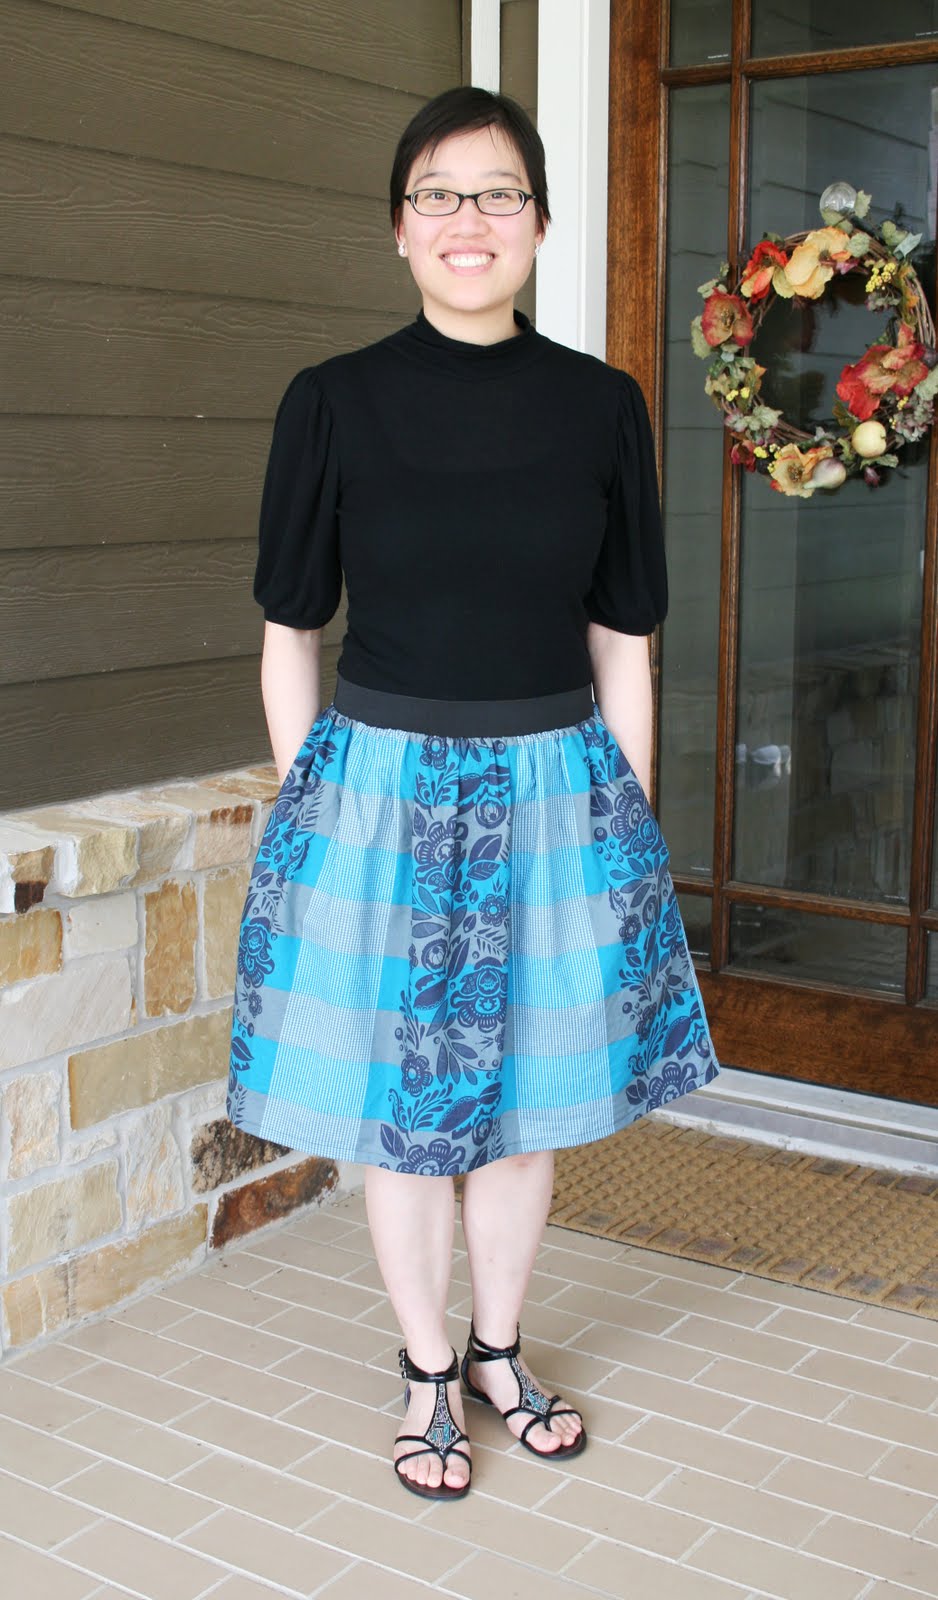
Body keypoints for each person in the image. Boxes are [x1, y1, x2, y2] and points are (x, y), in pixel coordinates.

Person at [227, 86, 720, 1503]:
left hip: (557, 784)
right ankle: (428, 1371)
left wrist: (625, 824)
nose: (468, 220)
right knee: (408, 1114)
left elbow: (623, 640)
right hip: (378, 789)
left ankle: (502, 1353)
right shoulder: (332, 401)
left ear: (540, 225)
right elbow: (288, 634)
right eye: (436, 193)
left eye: (498, 192)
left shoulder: (601, 406)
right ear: (398, 228)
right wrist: (312, 809)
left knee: (525, 1107)